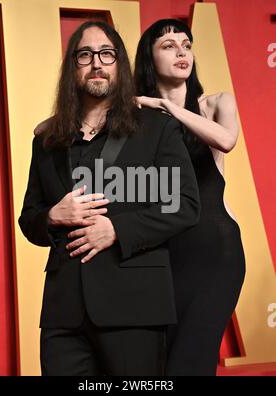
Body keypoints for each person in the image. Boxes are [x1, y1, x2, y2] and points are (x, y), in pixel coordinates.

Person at [19, 20, 200, 376]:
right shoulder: (47, 140)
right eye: (85, 55)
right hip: (63, 313)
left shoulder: (156, 128)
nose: (97, 63)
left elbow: (185, 203)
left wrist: (117, 229)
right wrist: (52, 217)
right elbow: (29, 220)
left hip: (135, 304)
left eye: (106, 54)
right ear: (72, 67)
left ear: (119, 65)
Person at [134, 19, 246, 376]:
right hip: (160, 254)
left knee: (190, 362)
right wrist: (119, 106)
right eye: (168, 46)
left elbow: (226, 140)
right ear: (149, 58)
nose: (182, 51)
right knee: (158, 366)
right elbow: (44, 129)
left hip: (215, 253)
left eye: (186, 44)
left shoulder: (215, 103)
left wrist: (170, 109)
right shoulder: (137, 114)